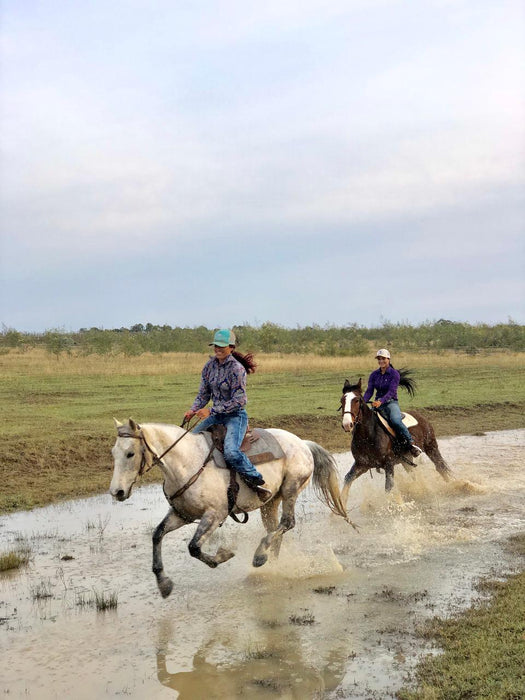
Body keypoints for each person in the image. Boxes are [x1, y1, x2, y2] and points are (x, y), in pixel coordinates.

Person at [184, 329, 272, 497]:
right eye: (216, 345)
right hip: (215, 416)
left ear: (231, 347)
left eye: (222, 346)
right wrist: (193, 409)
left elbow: (240, 401)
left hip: (235, 417)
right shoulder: (209, 366)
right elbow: (203, 394)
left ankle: (256, 480)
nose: (218, 349)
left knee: (231, 451)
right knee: (189, 443)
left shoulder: (237, 369)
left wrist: (210, 410)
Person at [363, 348, 423, 458]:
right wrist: (362, 401)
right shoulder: (374, 375)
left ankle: (411, 444)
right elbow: (369, 391)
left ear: (388, 359)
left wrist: (381, 401)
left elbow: (392, 391)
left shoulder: (394, 374)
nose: (381, 361)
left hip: (391, 403)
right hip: (377, 404)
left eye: (383, 359)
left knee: (395, 421)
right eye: (379, 359)